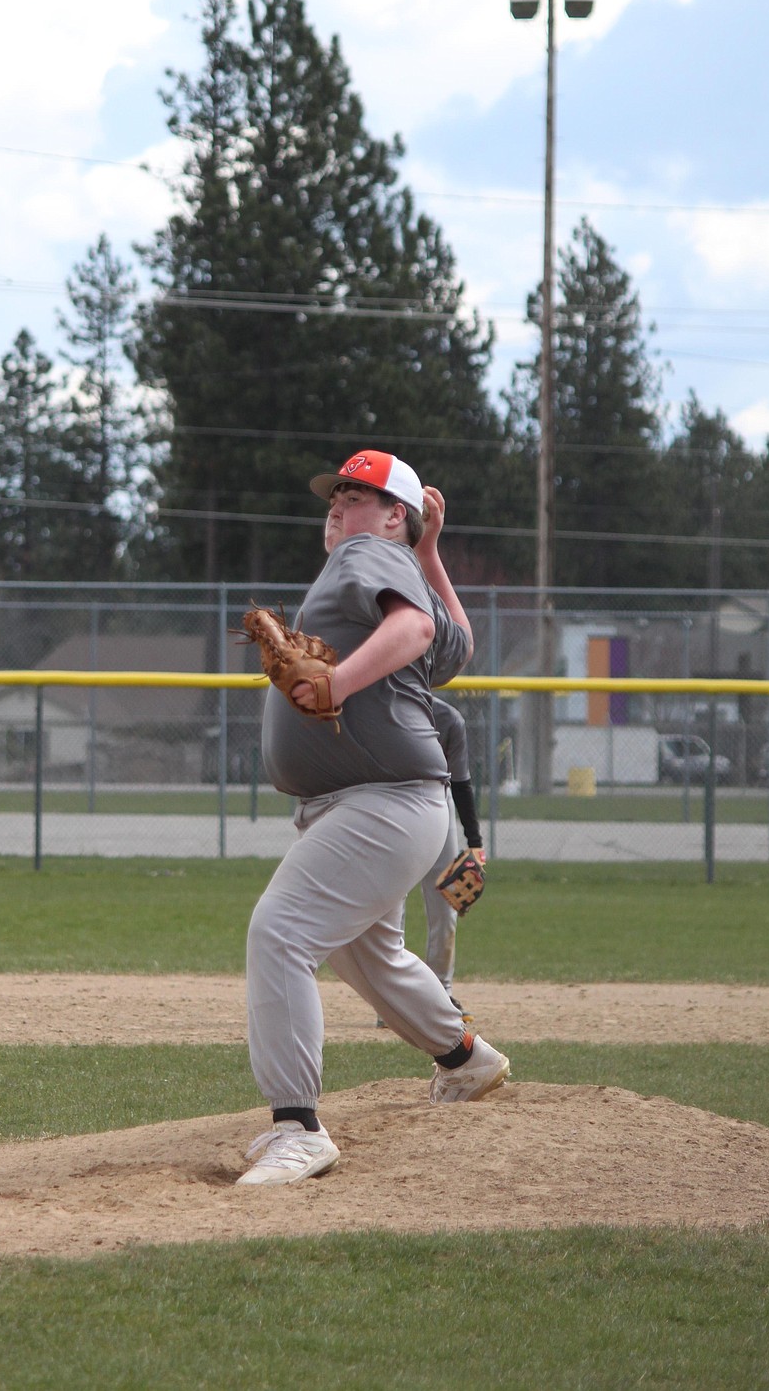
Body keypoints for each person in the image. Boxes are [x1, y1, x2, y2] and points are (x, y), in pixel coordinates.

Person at [238, 449, 509, 1188]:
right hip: (387, 802)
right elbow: (456, 640)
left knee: (281, 930)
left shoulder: (364, 555)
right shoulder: (390, 568)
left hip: (383, 799)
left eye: (359, 496)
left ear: (392, 515)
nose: (340, 506)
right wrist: (428, 551)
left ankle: (297, 1127)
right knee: (367, 953)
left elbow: (420, 634)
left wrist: (336, 683)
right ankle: (465, 1058)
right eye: (336, 496)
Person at [376, 696, 485, 1026]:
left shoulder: (448, 719)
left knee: (445, 906)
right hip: (388, 808)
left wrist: (475, 842)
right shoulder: (380, 709)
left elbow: (462, 784)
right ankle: (391, 1000)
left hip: (438, 808)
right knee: (390, 908)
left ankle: (441, 991)